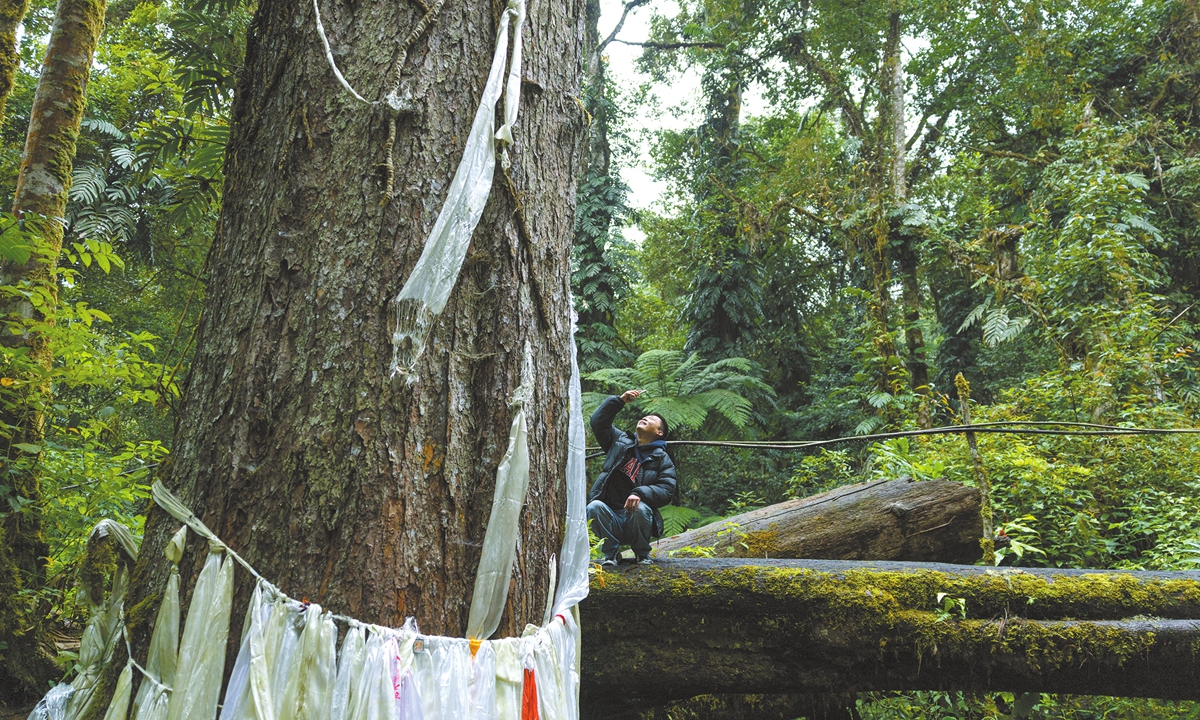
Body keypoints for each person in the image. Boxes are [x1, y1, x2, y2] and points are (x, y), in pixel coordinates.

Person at [587, 389, 678, 567]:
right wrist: (619, 401)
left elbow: (667, 490)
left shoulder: (662, 458)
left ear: (659, 433)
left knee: (640, 508)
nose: (645, 418)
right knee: (594, 507)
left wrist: (639, 493)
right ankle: (611, 555)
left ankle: (642, 554)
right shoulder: (619, 442)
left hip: (638, 520)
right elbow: (598, 422)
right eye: (645, 416)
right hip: (611, 515)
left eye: (652, 419)